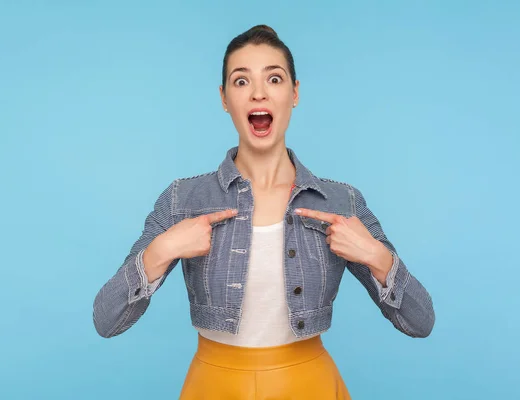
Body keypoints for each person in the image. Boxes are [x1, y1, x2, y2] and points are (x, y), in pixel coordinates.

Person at [93, 24, 435, 399]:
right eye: (241, 82)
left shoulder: (341, 202)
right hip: (214, 386)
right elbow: (106, 321)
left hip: (309, 385)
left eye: (274, 78)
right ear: (224, 98)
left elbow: (420, 322)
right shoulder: (182, 200)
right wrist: (161, 250)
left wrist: (377, 257)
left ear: (294, 93)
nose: (258, 92)